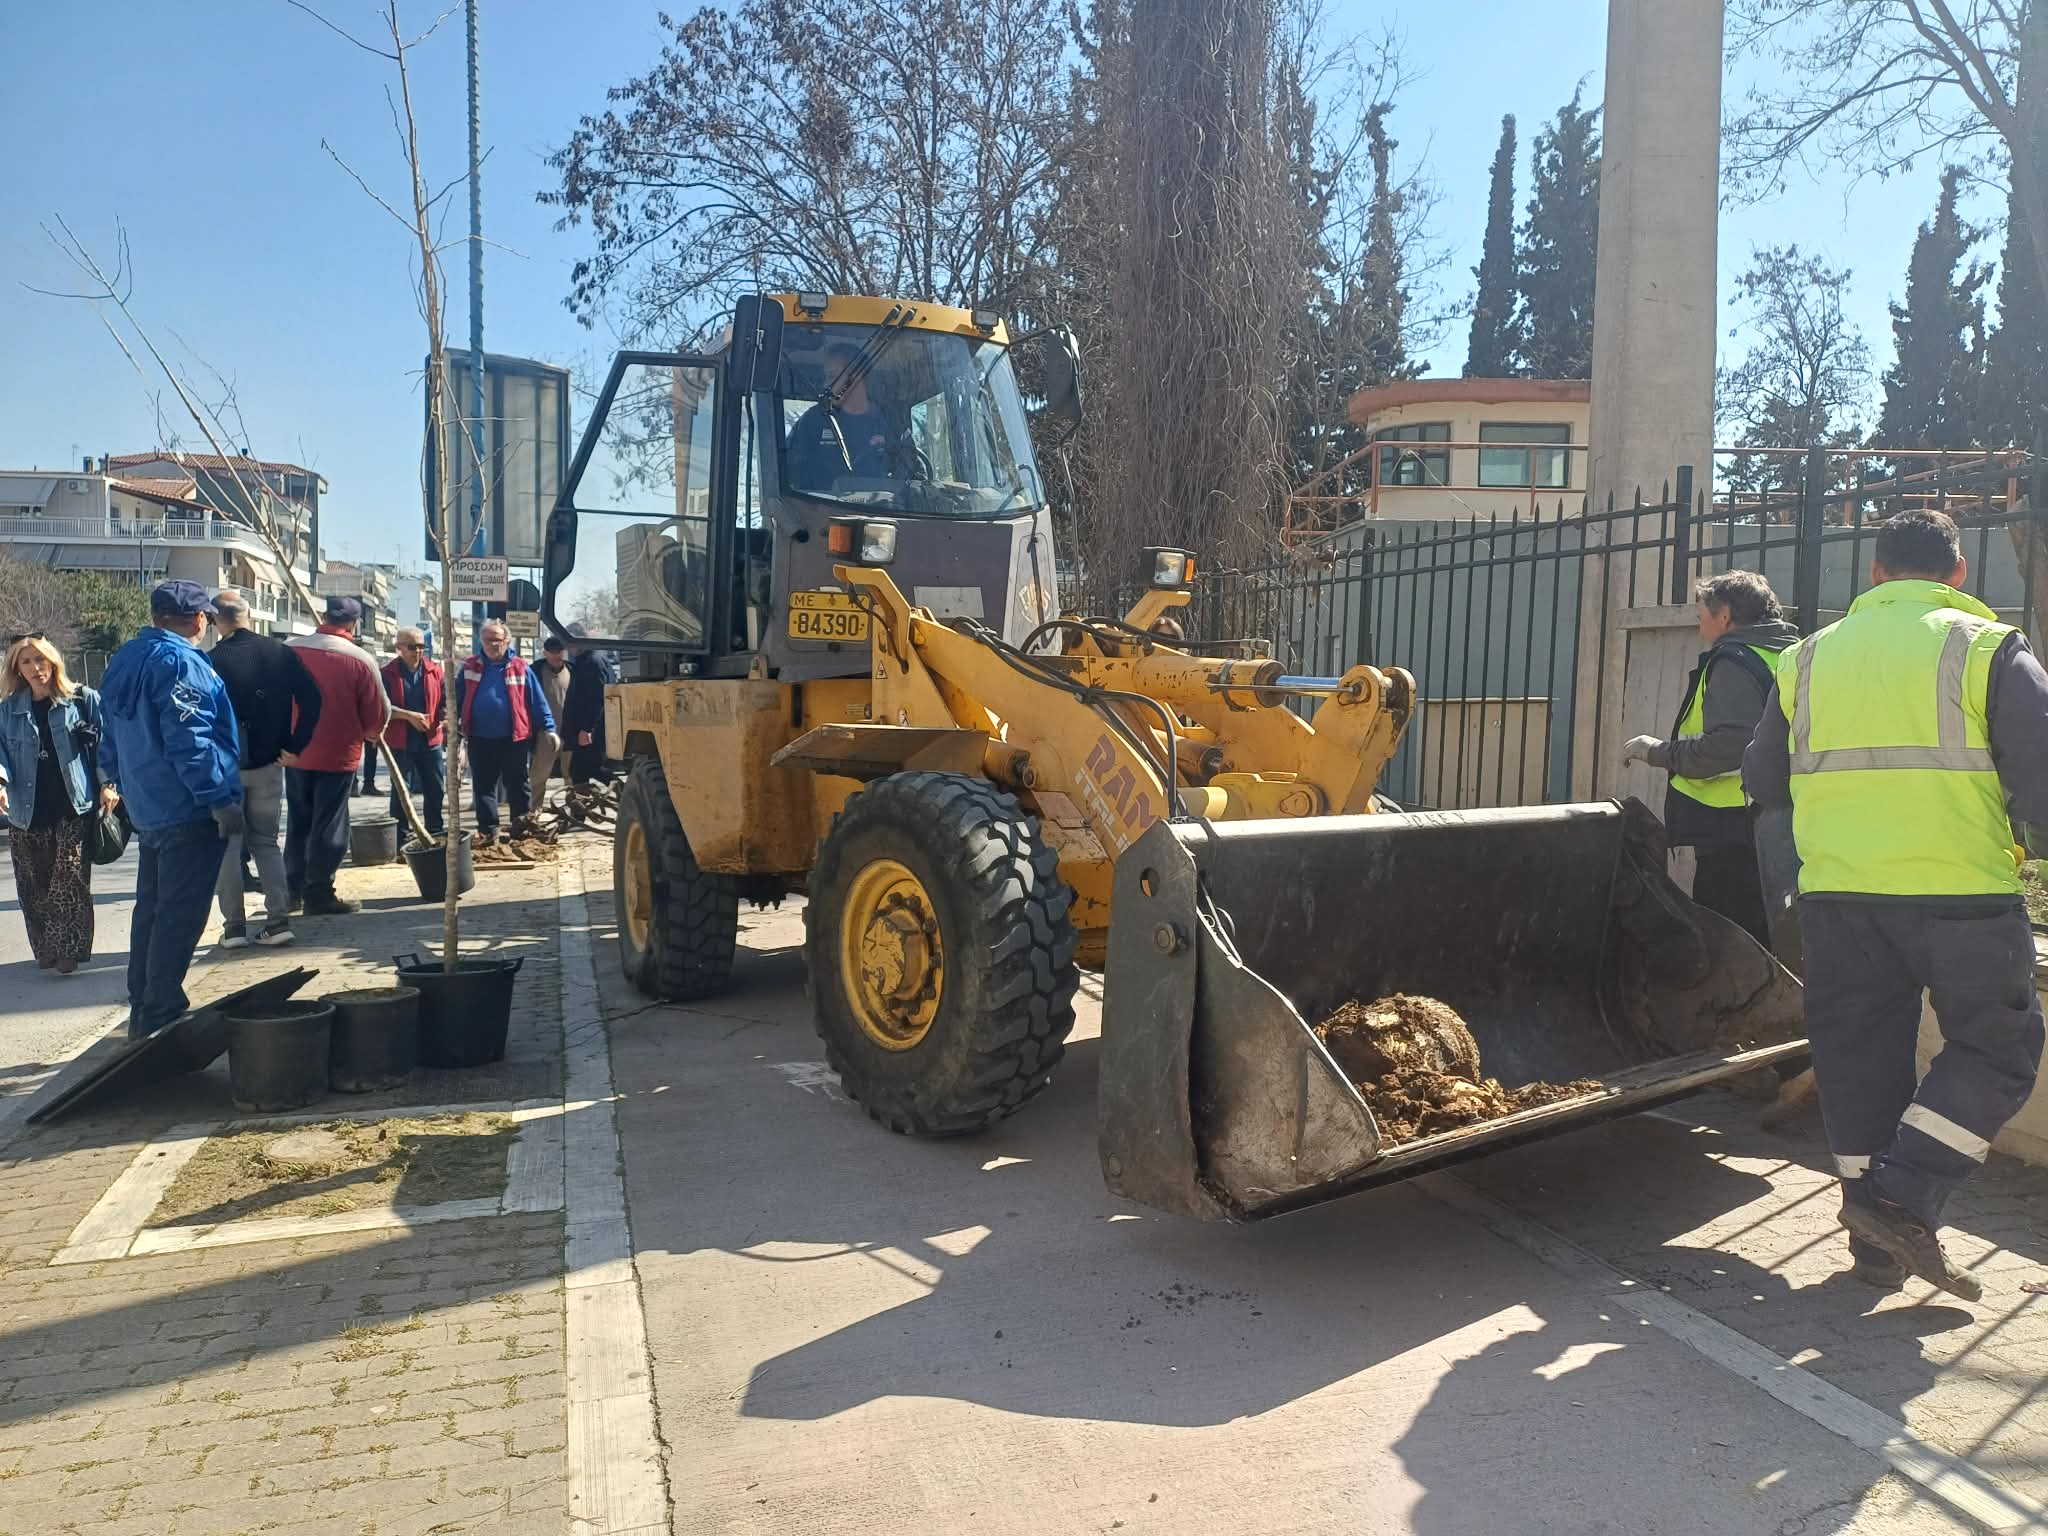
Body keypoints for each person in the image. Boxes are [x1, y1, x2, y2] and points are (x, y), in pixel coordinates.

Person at [1744, 510, 2048, 1301]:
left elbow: (1764, 781)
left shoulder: (1809, 658)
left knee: (1858, 1061)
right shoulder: (1986, 646)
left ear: (1874, 575)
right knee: (1997, 1049)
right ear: (1957, 575)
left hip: (1839, 898)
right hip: (1960, 896)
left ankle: (1876, 1249)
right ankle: (1901, 1196)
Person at [97, 581, 242, 1039]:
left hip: (148, 805)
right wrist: (219, 800)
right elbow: (190, 743)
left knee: (152, 910)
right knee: (179, 915)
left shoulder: (126, 658)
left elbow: (107, 736)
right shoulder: (181, 663)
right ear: (200, 620)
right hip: (186, 806)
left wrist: (119, 782)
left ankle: (143, 1003)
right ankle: (160, 1012)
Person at [1622, 571, 1798, 944]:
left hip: (1733, 831)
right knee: (1775, 940)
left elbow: (1729, 747)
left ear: (1726, 616)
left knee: (1730, 945)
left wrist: (1657, 752)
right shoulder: (1790, 654)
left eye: (1702, 614)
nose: (1700, 624)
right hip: (1783, 821)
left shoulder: (1734, 660)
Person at [205, 589, 322, 948]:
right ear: (249, 615)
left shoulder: (209, 660)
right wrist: (294, 746)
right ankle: (277, 921)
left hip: (225, 770)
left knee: (228, 845)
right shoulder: (279, 653)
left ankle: (235, 928)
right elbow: (313, 698)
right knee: (266, 843)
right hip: (270, 763)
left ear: (214, 620)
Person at [0, 636, 118, 975]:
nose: (36, 668)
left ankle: (69, 949)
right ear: (17, 668)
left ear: (53, 661)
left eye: (41, 660)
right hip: (26, 810)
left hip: (73, 805)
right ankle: (46, 947)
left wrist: (109, 784)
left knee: (69, 882)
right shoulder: (7, 710)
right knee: (34, 886)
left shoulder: (82, 699)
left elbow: (107, 743)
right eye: (26, 662)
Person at [284, 597, 391, 916]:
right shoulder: (360, 659)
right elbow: (377, 710)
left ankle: (292, 890)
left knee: (298, 821)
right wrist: (372, 732)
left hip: (295, 751)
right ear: (354, 624)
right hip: (337, 753)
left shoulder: (291, 649)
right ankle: (318, 892)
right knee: (329, 823)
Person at [457, 620, 555, 843]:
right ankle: (488, 831)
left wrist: (549, 728)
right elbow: (457, 698)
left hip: (514, 739)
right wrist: (452, 730)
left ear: (507, 641)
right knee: (483, 787)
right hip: (480, 738)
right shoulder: (470, 666)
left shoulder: (520, 667)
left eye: (497, 640)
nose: (492, 645)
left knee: (518, 785)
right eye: (488, 640)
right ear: (481, 641)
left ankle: (521, 828)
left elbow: (537, 700)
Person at [786, 339, 900, 489]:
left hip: (886, 510)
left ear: (856, 375)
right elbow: (791, 476)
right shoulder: (813, 421)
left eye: (832, 377)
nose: (825, 385)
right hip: (823, 510)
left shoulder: (891, 422)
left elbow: (911, 473)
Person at [380, 629, 445, 839]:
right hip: (401, 741)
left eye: (420, 647)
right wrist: (409, 716)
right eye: (411, 647)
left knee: (435, 788)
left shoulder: (434, 671)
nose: (417, 651)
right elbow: (382, 706)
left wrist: (443, 719)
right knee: (401, 791)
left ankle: (434, 830)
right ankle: (401, 835)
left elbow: (444, 701)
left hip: (430, 740)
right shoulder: (387, 674)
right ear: (399, 647)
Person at [563, 627, 617, 792]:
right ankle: (580, 812)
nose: (566, 648)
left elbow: (596, 700)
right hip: (587, 728)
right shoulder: (585, 660)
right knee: (581, 771)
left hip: (591, 730)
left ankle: (624, 790)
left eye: (568, 643)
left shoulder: (592, 662)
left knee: (584, 770)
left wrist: (587, 729)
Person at [527, 635, 573, 810]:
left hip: (569, 733)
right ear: (545, 653)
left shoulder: (573, 671)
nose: (556, 656)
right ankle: (533, 813)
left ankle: (576, 812)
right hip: (545, 734)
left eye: (559, 652)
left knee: (572, 777)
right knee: (539, 776)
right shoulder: (535, 672)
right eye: (552, 652)